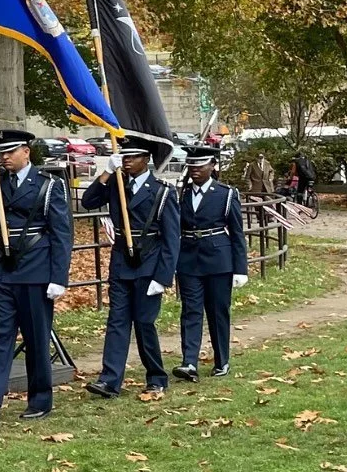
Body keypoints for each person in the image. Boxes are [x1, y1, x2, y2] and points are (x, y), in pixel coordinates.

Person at [0, 130, 72, 422]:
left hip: (35, 267)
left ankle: (40, 400)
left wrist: (59, 276)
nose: (5, 158)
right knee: (0, 334)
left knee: (36, 337)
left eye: (11, 152)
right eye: (1, 152)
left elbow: (61, 233)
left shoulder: (48, 185)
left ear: (26, 152)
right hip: (2, 268)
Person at [80, 137, 179, 399]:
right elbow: (88, 201)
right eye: (125, 156)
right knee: (117, 321)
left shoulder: (162, 191)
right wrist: (107, 172)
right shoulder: (116, 183)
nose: (127, 161)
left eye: (133, 157)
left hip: (149, 262)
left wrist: (164, 276)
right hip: (122, 259)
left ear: (146, 159)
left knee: (145, 323)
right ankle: (109, 380)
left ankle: (156, 377)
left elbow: (171, 238)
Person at [172, 146, 248, 382]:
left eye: (201, 165)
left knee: (217, 312)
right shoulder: (180, 193)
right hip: (188, 259)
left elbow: (237, 233)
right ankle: (189, 362)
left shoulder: (226, 194)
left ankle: (221, 360)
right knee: (191, 311)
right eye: (192, 166)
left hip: (218, 260)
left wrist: (240, 269)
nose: (195, 170)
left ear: (212, 166)